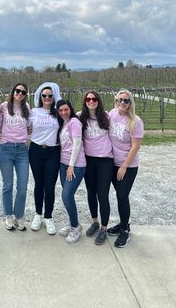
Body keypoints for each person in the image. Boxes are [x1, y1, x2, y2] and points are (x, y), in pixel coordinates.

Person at [108, 89, 144, 248]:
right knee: (119, 195)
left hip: (127, 166)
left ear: (131, 103)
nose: (122, 103)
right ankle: (124, 224)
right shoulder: (112, 114)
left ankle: (124, 230)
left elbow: (135, 147)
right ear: (115, 101)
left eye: (126, 100)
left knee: (122, 195)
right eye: (119, 100)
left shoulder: (135, 121)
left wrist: (123, 167)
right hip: (111, 163)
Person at [78, 91, 113, 245]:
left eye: (94, 99)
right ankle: (95, 222)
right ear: (85, 101)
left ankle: (104, 229)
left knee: (103, 195)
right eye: (88, 99)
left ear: (98, 101)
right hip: (89, 161)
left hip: (105, 161)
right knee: (91, 193)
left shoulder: (106, 116)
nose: (91, 101)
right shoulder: (80, 117)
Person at [29, 82, 61, 235]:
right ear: (40, 97)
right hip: (35, 150)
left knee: (50, 186)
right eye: (44, 95)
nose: (47, 97)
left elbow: (73, 117)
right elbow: (25, 126)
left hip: (53, 152)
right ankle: (37, 214)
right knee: (38, 184)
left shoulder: (57, 113)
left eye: (50, 95)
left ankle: (48, 217)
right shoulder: (33, 112)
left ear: (54, 97)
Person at [0, 83, 30, 231]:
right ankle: (8, 215)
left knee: (22, 186)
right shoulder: (3, 107)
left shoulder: (27, 108)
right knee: (8, 185)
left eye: (23, 92)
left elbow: (29, 127)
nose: (20, 93)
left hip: (22, 150)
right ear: (13, 91)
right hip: (6, 149)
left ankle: (19, 215)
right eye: (17, 90)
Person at [57, 99, 86, 244]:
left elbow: (77, 144)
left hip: (75, 165)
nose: (63, 112)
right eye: (60, 110)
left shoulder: (75, 122)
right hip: (63, 163)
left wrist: (71, 165)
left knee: (66, 195)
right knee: (68, 195)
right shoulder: (64, 123)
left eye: (66, 109)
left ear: (70, 109)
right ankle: (72, 222)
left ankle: (76, 227)